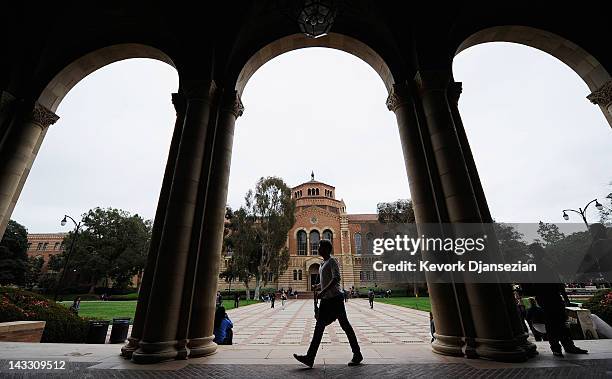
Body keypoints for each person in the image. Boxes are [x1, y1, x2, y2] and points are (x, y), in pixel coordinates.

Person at [294, 239, 362, 368]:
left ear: (326, 249)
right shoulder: (323, 263)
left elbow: (336, 278)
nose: (317, 249)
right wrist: (318, 286)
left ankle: (357, 354)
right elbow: (327, 280)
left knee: (345, 326)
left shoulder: (332, 261)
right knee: (319, 328)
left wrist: (323, 290)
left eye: (319, 247)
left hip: (335, 299)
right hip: (327, 300)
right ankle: (310, 357)